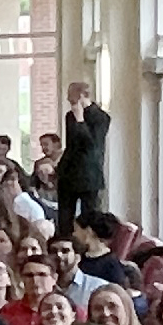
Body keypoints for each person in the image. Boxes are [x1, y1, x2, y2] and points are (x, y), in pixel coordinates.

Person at [58, 80, 110, 230]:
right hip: (69, 174)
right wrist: (60, 168)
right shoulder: (70, 116)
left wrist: (80, 121)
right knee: (65, 217)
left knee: (90, 216)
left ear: (81, 95)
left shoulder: (101, 117)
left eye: (71, 95)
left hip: (89, 174)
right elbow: (71, 146)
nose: (68, 99)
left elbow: (91, 145)